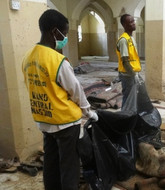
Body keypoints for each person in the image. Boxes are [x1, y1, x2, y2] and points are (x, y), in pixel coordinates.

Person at [22, 9, 98, 190]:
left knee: (51, 162)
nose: (65, 37)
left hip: (44, 119)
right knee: (69, 167)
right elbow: (76, 91)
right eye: (64, 33)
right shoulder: (58, 60)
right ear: (55, 31)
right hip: (65, 123)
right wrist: (89, 112)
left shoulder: (28, 57)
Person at [116, 14, 141, 107]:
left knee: (132, 99)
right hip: (127, 75)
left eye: (133, 21)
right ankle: (125, 117)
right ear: (124, 25)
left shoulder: (131, 39)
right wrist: (133, 75)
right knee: (128, 99)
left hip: (132, 73)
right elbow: (125, 61)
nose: (134, 23)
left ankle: (130, 116)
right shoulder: (123, 40)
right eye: (130, 22)